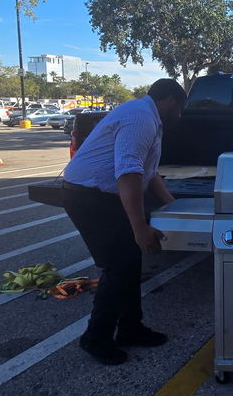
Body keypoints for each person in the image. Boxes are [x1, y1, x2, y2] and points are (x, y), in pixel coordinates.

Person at [61, 78, 186, 365]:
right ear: (170, 101)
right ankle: (95, 338)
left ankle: (131, 328)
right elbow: (129, 172)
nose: (179, 115)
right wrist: (139, 227)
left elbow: (149, 172)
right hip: (90, 197)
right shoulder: (140, 118)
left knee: (130, 264)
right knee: (118, 267)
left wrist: (174, 207)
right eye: (179, 108)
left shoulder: (147, 116)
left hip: (103, 196)